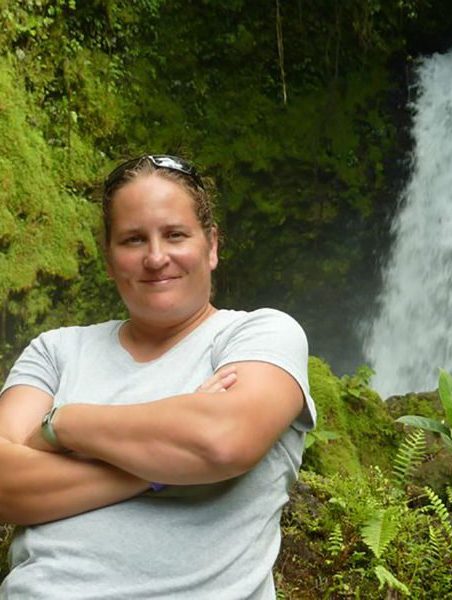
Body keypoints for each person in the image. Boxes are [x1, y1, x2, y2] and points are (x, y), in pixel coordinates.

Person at [0, 154, 316, 599]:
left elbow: (221, 440)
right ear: (108, 259)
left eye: (175, 235)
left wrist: (63, 425)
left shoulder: (258, 334)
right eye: (132, 239)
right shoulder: (56, 351)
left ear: (212, 245)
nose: (155, 257)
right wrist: (163, 467)